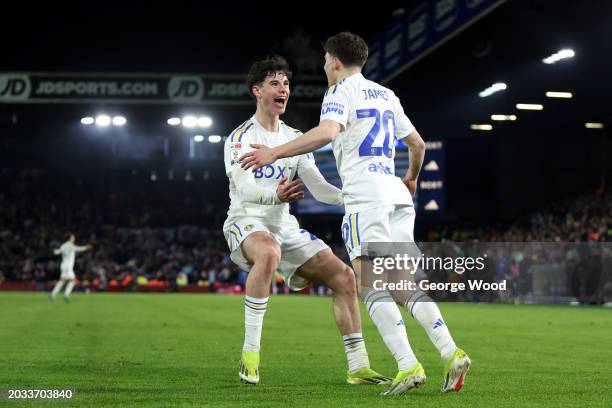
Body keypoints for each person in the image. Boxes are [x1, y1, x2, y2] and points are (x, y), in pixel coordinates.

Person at [239, 32, 470, 395]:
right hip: (397, 195)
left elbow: (327, 132)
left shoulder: (340, 91)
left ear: (333, 60)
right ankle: (451, 351)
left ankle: (408, 365)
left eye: (324, 59)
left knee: (369, 284)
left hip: (367, 200)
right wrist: (410, 178)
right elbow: (418, 144)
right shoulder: (386, 94)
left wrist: (274, 152)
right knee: (401, 284)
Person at [224, 55, 390, 386]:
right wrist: (276, 197)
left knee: (344, 277)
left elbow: (320, 189)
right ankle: (250, 354)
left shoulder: (295, 138)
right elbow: (244, 188)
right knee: (268, 252)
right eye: (274, 83)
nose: (283, 88)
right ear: (257, 91)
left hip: (283, 227)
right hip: (245, 220)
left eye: (286, 83)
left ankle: (358, 367)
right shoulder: (239, 138)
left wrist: (354, 195)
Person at [50, 232, 92, 302]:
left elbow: (58, 252)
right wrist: (85, 247)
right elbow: (77, 248)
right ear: (70, 238)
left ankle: (57, 295)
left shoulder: (63, 245)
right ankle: (62, 295)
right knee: (69, 280)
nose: (74, 238)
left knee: (65, 280)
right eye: (73, 237)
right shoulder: (70, 245)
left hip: (64, 265)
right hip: (67, 266)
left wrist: (55, 251)